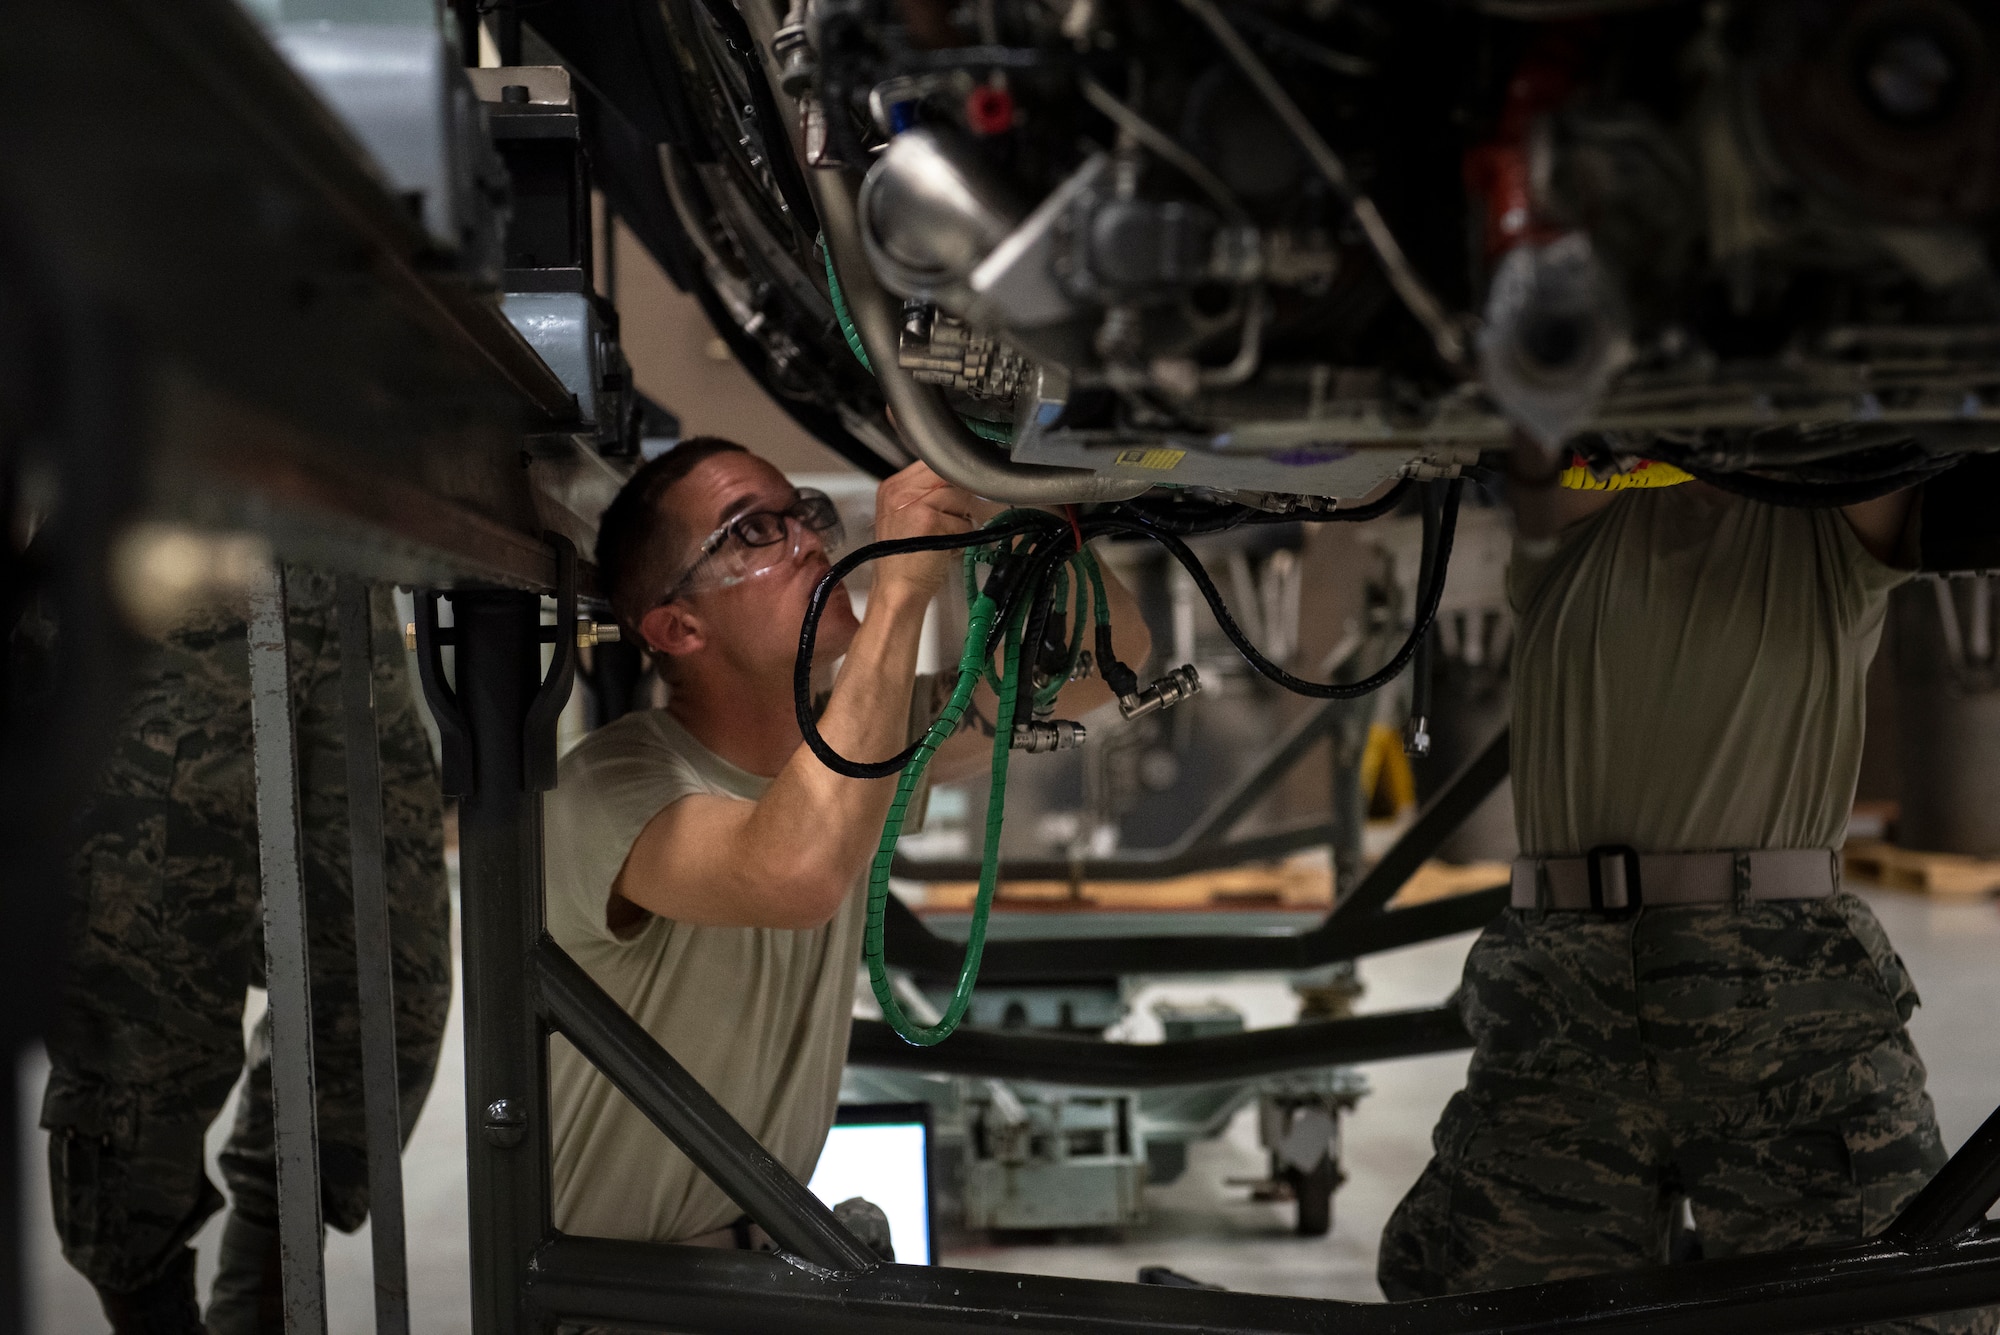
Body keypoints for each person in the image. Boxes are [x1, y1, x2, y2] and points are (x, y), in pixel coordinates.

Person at [1379, 447, 1993, 1333]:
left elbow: (1886, 444)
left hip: (1782, 1000)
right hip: (1567, 999)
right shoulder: (1584, 516)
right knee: (1477, 1303)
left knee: (1906, 1310)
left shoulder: (1831, 523)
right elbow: (1554, 454)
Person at [543, 439, 1148, 1247]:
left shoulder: (861, 748)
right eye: (753, 530)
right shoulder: (607, 789)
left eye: (803, 513)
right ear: (678, 626)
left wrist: (1000, 472)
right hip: (616, 1289)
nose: (808, 540)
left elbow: (1108, 658)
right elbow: (795, 870)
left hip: (767, 1262)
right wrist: (899, 595)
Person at [41, 571, 452, 1335]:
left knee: (388, 988)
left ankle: (260, 1304)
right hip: (170, 589)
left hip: (343, 571)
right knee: (139, 1024)